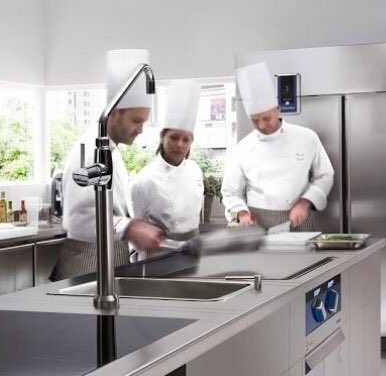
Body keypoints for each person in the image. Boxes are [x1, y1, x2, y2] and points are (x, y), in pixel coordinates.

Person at [55, 49, 165, 280]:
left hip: (108, 263)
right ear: (113, 114)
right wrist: (130, 228)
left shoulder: (112, 151)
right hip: (86, 265)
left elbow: (109, 209)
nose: (140, 130)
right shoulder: (89, 151)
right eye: (136, 121)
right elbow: (79, 220)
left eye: (143, 122)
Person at [221, 61, 334, 231]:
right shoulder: (242, 148)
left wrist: (305, 202)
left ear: (278, 110)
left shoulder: (307, 137)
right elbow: (230, 192)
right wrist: (241, 213)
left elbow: (325, 175)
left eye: (266, 118)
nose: (261, 125)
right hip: (257, 225)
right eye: (255, 120)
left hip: (299, 221)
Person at [130, 79, 204, 253]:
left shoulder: (195, 171)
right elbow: (134, 229)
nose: (179, 145)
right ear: (162, 138)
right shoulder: (144, 181)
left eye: (186, 140)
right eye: (174, 137)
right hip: (158, 254)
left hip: (193, 251)